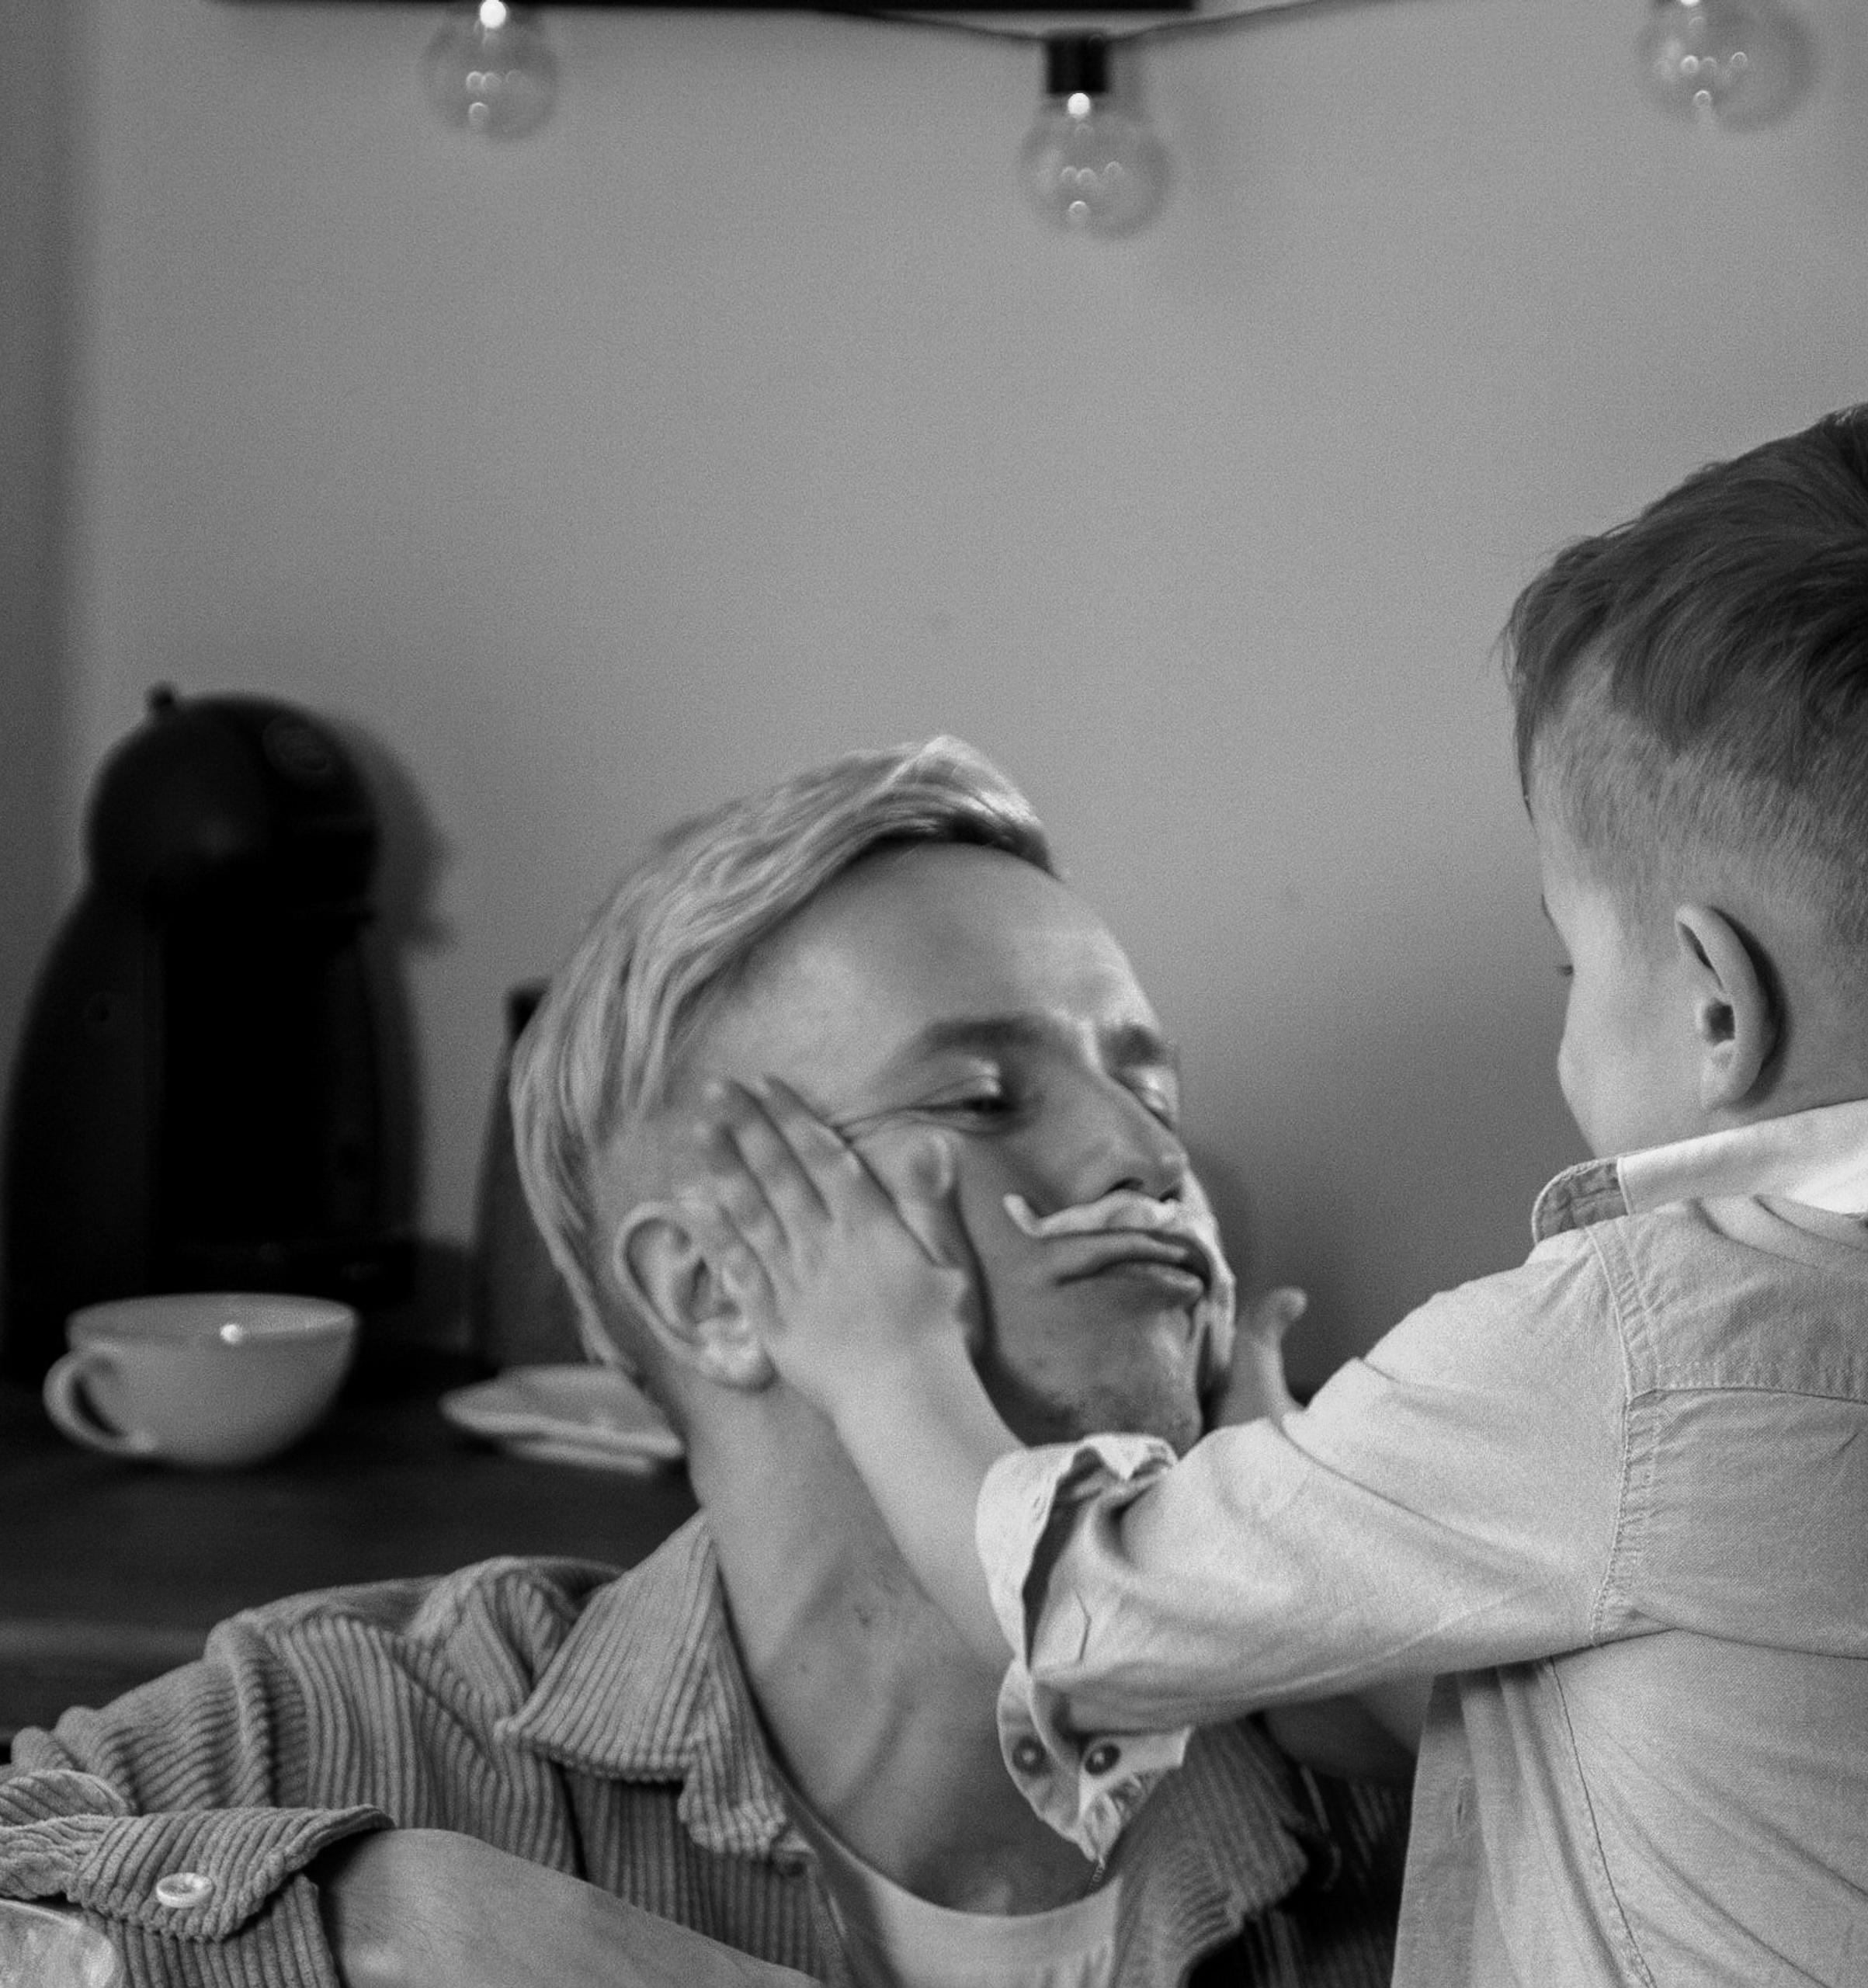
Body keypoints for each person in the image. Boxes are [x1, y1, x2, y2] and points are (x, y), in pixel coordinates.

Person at [675, 403, 1868, 1987]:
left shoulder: (1627, 1355)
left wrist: (882, 1353)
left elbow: (1080, 1610)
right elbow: (1579, 1713)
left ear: (1718, 1006)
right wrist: (1290, 1479)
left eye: (1573, 968)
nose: (1145, 1156)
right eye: (981, 1097)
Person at [0, 739, 1410, 1988]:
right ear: (710, 1292)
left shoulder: (1410, 1775)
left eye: (1152, 1091)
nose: (1149, 1158)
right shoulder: (378, 1733)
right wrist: (388, 1920)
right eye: (984, 1098)